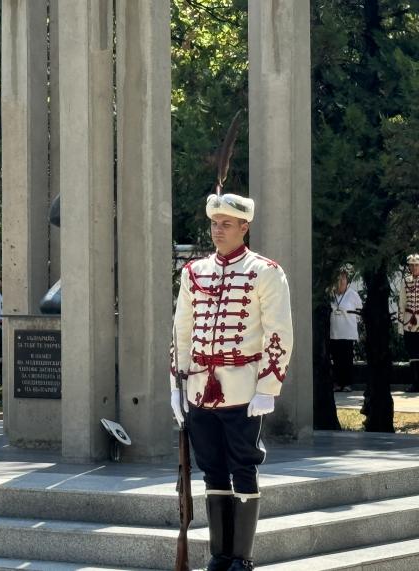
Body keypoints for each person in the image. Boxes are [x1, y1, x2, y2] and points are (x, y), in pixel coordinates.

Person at [170, 193, 293, 571]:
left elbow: (278, 333)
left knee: (243, 467)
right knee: (212, 469)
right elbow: (182, 332)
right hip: (199, 388)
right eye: (214, 224)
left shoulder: (266, 272)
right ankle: (220, 555)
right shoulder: (194, 272)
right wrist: (176, 385)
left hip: (243, 387)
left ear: (245, 227)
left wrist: (267, 387)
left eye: (226, 224)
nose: (218, 231)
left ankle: (241, 557)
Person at [329, 266, 362, 393]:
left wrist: (354, 323)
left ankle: (347, 383)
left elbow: (359, 312)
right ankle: (337, 383)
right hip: (334, 332)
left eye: (343, 278)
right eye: (338, 278)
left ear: (347, 280)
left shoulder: (353, 295)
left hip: (348, 332)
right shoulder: (331, 294)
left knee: (347, 359)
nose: (341, 281)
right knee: (336, 359)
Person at [398, 254, 419, 392]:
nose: (413, 267)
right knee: (412, 354)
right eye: (411, 265)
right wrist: (401, 325)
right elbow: (402, 303)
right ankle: (415, 383)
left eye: (416, 264)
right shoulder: (406, 281)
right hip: (409, 321)